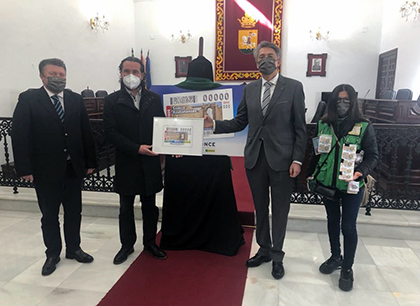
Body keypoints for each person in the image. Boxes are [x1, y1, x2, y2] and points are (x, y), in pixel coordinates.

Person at [204, 41, 307, 279]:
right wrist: (215, 125)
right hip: (255, 160)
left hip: (283, 161)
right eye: (261, 56)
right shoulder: (249, 89)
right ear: (255, 61)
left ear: (278, 60)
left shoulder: (293, 87)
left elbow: (300, 128)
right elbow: (241, 121)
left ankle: (278, 255)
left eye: (270, 56)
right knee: (261, 208)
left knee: (280, 211)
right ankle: (264, 249)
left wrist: (298, 160)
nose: (265, 60)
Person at [11, 58, 97, 276]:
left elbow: (85, 132)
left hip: (72, 168)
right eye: (53, 74)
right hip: (44, 169)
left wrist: (90, 162)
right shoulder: (29, 99)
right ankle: (52, 253)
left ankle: (74, 248)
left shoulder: (75, 99)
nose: (58, 78)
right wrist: (24, 168)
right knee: (49, 215)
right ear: (42, 76)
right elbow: (20, 135)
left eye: (61, 74)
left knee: (74, 212)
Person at [160, 54, 244, 256]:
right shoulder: (224, 92)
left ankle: (178, 236)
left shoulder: (172, 93)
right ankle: (219, 236)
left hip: (182, 158)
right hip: (215, 156)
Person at [307, 84, 379, 291]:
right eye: (338, 99)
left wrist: (361, 171)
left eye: (346, 99)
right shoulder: (323, 124)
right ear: (332, 101)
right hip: (328, 183)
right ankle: (335, 256)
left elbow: (373, 155)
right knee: (332, 221)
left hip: (351, 184)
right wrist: (311, 174)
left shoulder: (364, 125)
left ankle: (347, 267)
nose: (342, 103)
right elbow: (317, 152)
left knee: (348, 226)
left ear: (353, 101)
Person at [103, 56, 167, 265]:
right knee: (125, 207)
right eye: (126, 71)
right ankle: (127, 245)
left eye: (135, 72)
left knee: (150, 206)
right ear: (120, 73)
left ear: (143, 75)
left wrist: (170, 145)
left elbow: (162, 126)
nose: (131, 76)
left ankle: (150, 242)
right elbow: (110, 132)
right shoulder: (112, 100)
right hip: (127, 160)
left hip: (150, 161)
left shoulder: (154, 99)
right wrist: (135, 148)